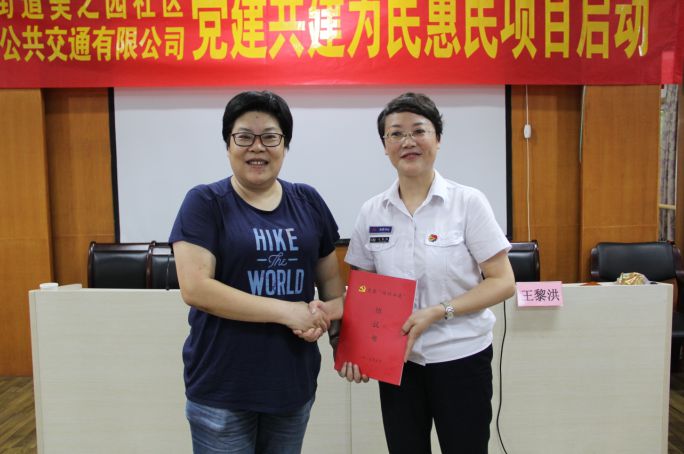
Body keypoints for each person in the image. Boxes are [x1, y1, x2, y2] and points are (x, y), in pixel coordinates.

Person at [170, 91, 345, 454]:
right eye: (244, 137)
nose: (257, 147)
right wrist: (289, 312)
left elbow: (330, 282)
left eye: (270, 137)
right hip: (223, 388)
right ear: (228, 144)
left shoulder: (308, 201)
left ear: (285, 145)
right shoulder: (205, 202)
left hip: (291, 385)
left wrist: (339, 339)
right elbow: (197, 289)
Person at [341, 92, 516, 454]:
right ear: (385, 146)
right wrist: (356, 350)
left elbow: (503, 282)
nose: (408, 142)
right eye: (396, 133)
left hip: (461, 357)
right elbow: (363, 291)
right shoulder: (372, 212)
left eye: (419, 131)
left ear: (437, 139)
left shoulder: (468, 203)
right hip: (397, 363)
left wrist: (439, 311)